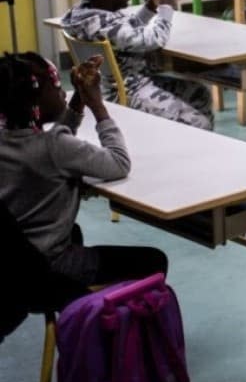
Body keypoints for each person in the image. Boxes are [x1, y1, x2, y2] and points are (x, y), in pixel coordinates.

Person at [0, 52, 168, 286]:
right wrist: (97, 105)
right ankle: (94, 317)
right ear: (35, 102)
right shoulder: (55, 147)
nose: (62, 92)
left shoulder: (9, 136)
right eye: (57, 86)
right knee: (154, 260)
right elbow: (119, 163)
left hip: (15, 265)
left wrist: (79, 99)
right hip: (50, 266)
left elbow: (53, 146)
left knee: (75, 233)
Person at [61, 0, 215, 131]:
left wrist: (151, 5)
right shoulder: (105, 27)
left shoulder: (87, 17)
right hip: (127, 92)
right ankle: (193, 146)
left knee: (199, 93)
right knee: (199, 123)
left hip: (115, 86)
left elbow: (126, 32)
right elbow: (154, 39)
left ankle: (182, 141)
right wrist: (166, 5)